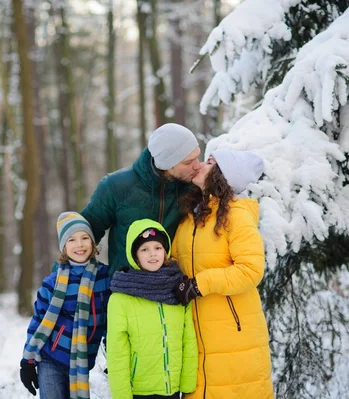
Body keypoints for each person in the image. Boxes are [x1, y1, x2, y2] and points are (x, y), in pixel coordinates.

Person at [172, 150, 273, 398]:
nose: (200, 165)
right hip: (196, 335)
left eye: (209, 163)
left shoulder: (237, 216)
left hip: (234, 337)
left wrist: (199, 284)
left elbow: (250, 270)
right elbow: (175, 260)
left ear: (223, 175)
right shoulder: (191, 218)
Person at [81, 123, 202, 276]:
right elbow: (81, 236)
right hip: (125, 292)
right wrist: (63, 281)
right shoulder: (116, 186)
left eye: (197, 157)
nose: (198, 166)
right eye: (188, 162)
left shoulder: (193, 187)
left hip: (172, 291)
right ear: (166, 164)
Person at [19, 212, 111, 399]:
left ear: (93, 242)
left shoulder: (105, 278)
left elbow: (111, 321)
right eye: (72, 240)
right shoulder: (52, 283)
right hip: (51, 358)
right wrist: (27, 361)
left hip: (82, 361)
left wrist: (114, 355)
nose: (79, 245)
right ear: (63, 247)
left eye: (85, 238)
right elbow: (38, 321)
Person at [107, 219, 198, 398]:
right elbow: (117, 352)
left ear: (166, 251)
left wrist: (187, 384)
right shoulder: (121, 298)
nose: (152, 254)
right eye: (144, 249)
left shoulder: (178, 289)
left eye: (157, 248)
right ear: (135, 256)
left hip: (173, 389)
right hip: (140, 391)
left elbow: (189, 340)